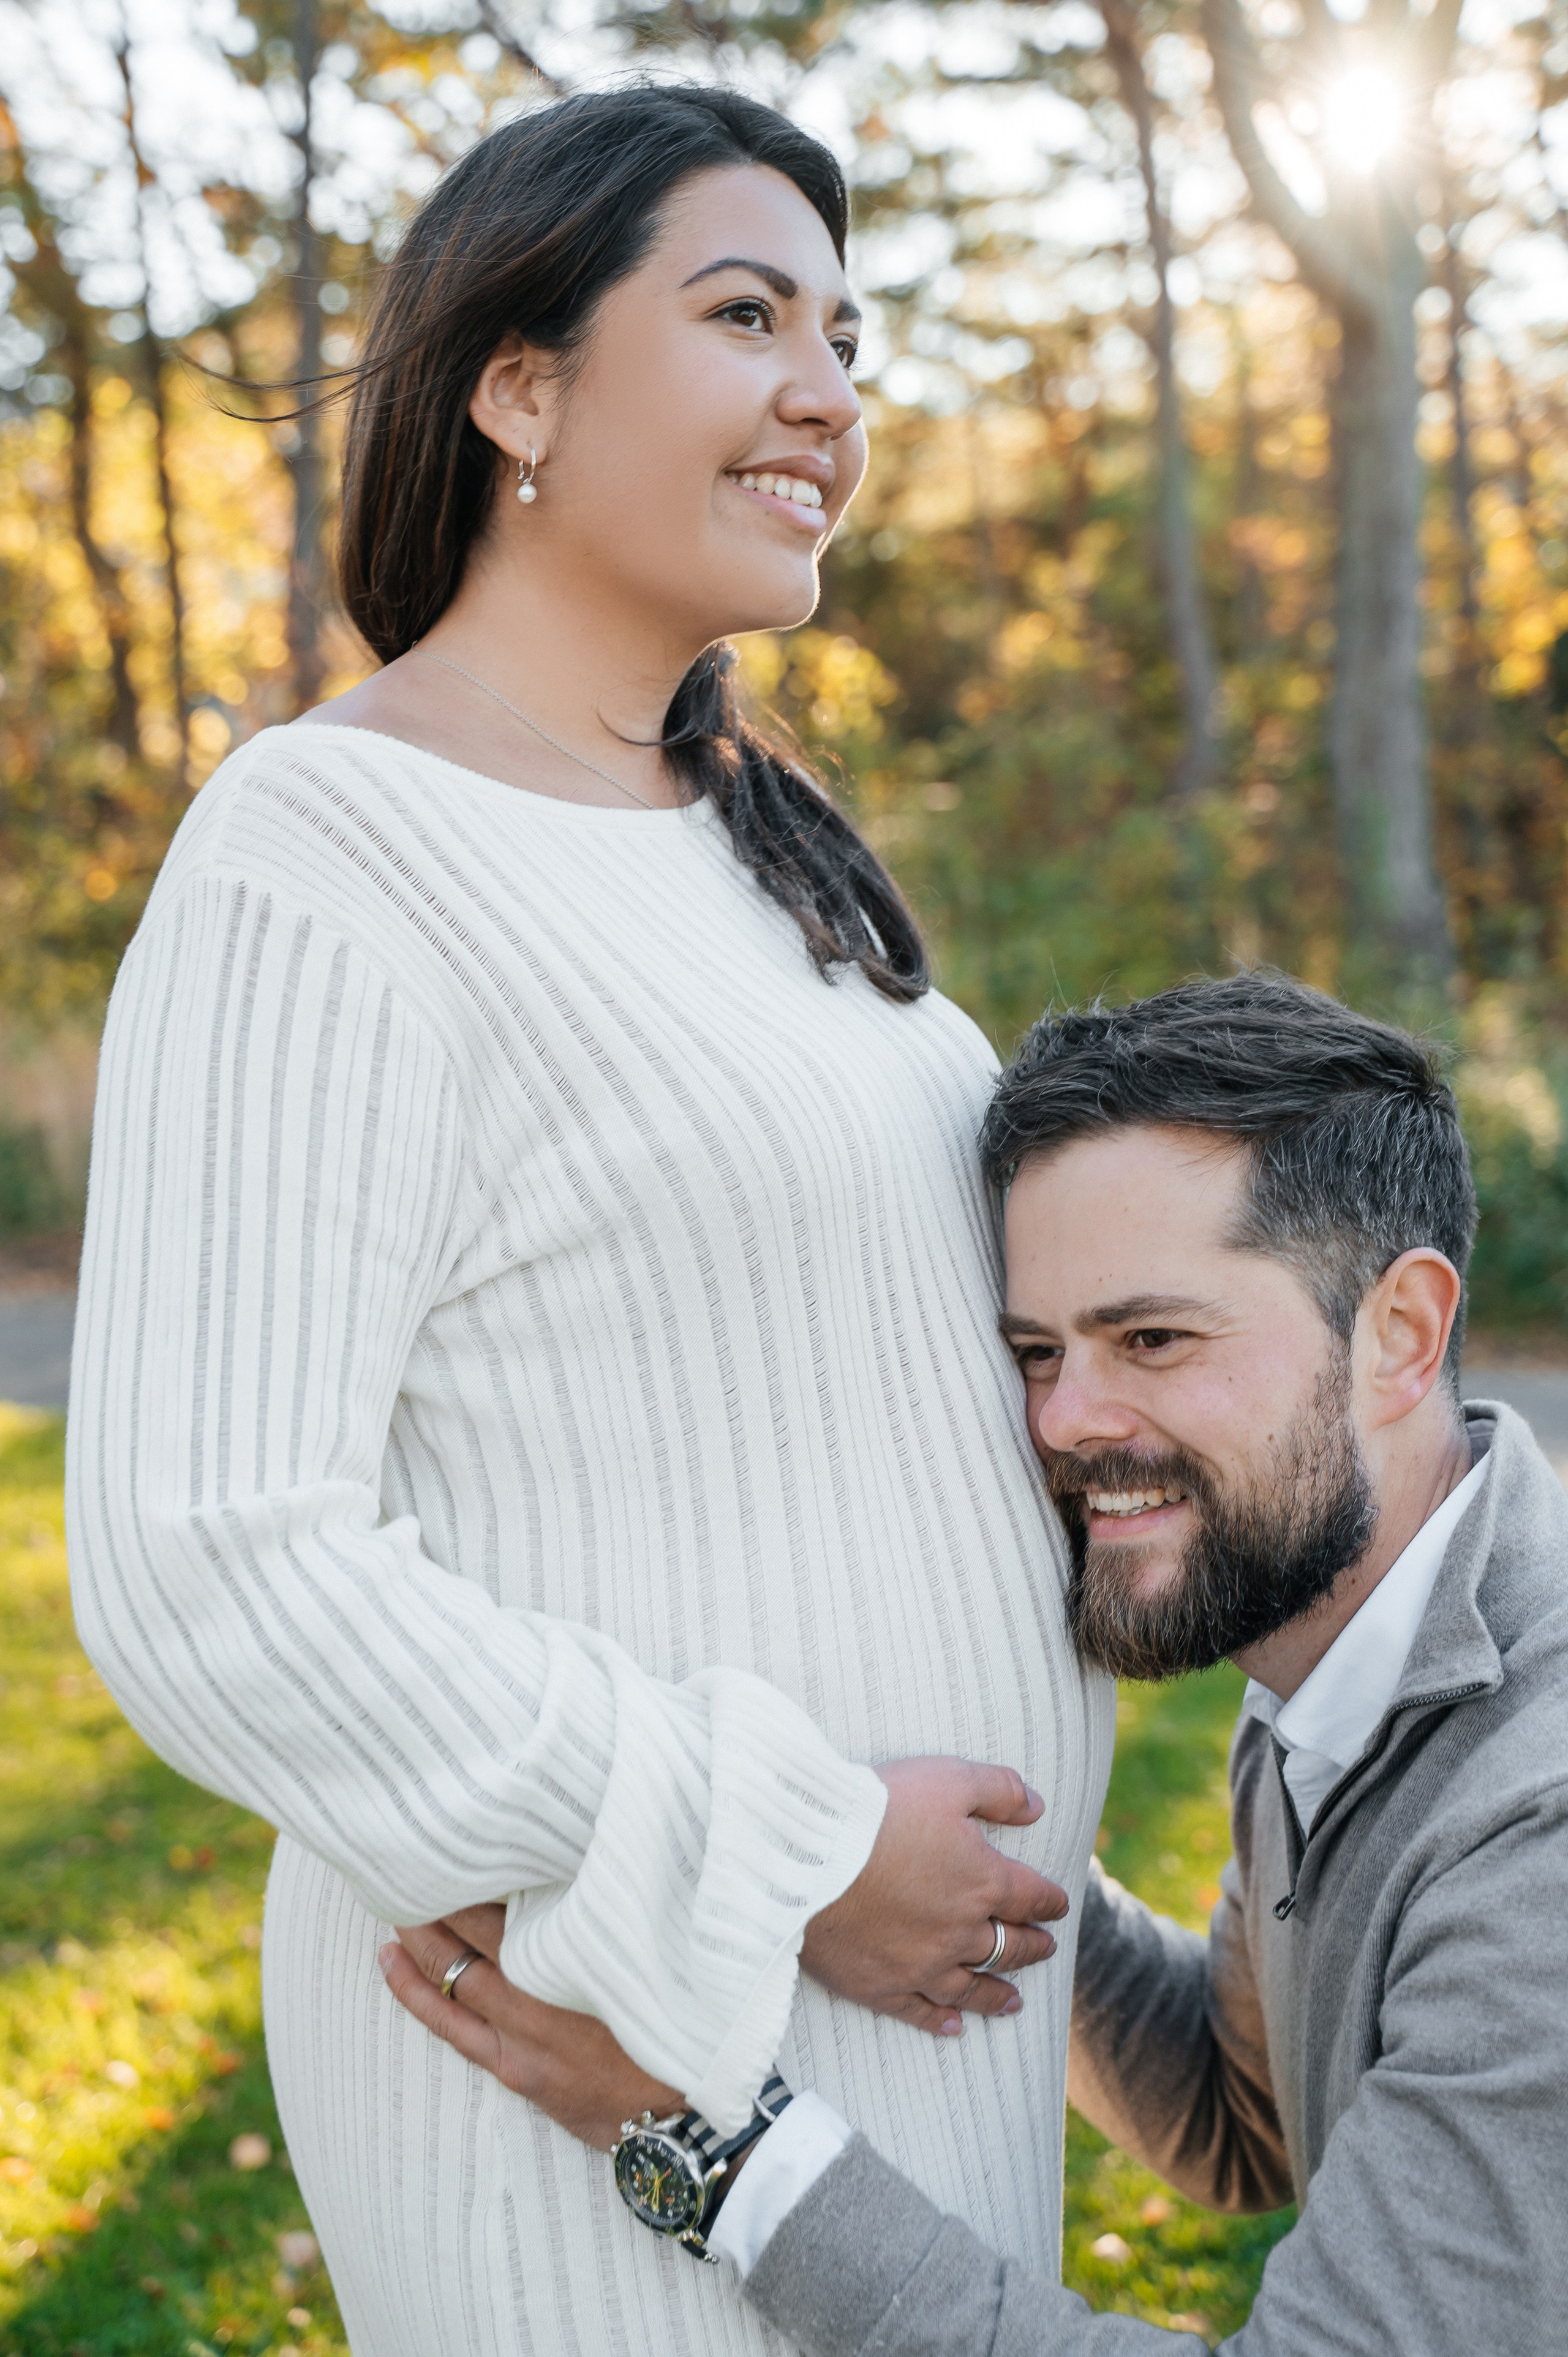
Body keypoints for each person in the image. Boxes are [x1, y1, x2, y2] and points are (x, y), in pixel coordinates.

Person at [65, 85, 1102, 2357]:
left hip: (935, 2012)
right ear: (517, 388)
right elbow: (209, 1554)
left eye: (847, 338)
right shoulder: (325, 847)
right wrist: (801, 1848)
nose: (828, 395)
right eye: (746, 317)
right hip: (613, 2018)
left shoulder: (764, 844)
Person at [383, 973, 1568, 2353]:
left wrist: (711, 2146)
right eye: (1036, 1352)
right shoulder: (1345, 1669)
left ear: (1399, 1334)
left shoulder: (1536, 1832)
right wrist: (892, 1846)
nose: (1063, 1420)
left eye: (1152, 1339)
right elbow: (1242, 2117)